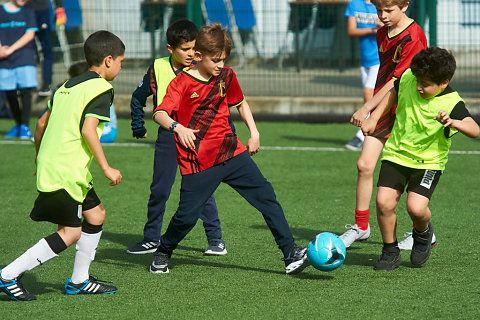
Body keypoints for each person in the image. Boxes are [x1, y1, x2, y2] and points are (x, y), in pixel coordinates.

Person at [149, 23, 309, 275]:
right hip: (199, 162)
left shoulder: (227, 75)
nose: (220, 65)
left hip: (233, 153)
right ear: (198, 56)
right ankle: (164, 250)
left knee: (266, 196)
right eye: (215, 60)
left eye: (223, 59)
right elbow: (159, 113)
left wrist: (254, 133)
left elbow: (241, 103)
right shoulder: (181, 83)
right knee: (186, 217)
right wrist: (178, 128)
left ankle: (290, 253)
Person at [0, 30, 125, 301]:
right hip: (66, 170)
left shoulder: (67, 85)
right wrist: (106, 168)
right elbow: (89, 129)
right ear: (108, 60)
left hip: (61, 166)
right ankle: (8, 275)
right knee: (70, 232)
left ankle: (79, 281)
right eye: (120, 62)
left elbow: (41, 123)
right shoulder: (102, 88)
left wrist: (38, 157)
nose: (120, 67)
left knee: (96, 215)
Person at [359, 47, 480, 270]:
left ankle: (423, 232)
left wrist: (455, 123)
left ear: (443, 83)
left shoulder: (452, 102)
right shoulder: (408, 77)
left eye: (425, 84)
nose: (418, 87)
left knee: (416, 209)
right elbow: (393, 92)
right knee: (383, 203)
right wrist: (374, 117)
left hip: (429, 163)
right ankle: (390, 251)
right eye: (417, 81)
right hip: (397, 154)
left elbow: (474, 129)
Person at [127, 19, 227, 256]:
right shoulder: (158, 68)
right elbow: (137, 97)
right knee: (160, 189)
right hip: (168, 135)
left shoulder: (202, 67)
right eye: (185, 49)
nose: (192, 54)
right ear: (170, 49)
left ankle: (216, 240)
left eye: (194, 48)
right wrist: (138, 125)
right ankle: (151, 239)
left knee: (202, 188)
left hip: (196, 137)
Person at [340, 0, 429, 249]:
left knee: (410, 172)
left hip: (408, 109)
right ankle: (361, 226)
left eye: (388, 10)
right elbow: (387, 79)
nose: (382, 15)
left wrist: (369, 109)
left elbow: (398, 82)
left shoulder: (414, 36)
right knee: (364, 164)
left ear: (405, 6)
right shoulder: (382, 32)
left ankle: (420, 233)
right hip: (386, 105)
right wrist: (375, 111)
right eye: (379, 10)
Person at [344, 0, 382, 151]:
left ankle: (361, 135)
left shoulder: (380, 4)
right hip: (365, 59)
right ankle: (375, 131)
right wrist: (373, 30)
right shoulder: (354, 4)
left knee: (368, 95)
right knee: (370, 97)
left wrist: (382, 27)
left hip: (379, 58)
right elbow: (351, 30)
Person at [0, 0, 38, 139]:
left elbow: (30, 34)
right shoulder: (1, 11)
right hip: (4, 60)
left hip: (24, 56)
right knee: (9, 92)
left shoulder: (28, 10)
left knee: (26, 91)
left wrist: (10, 49)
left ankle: (25, 126)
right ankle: (18, 124)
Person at [27, 0, 67, 96]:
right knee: (28, 49)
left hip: (42, 10)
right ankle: (28, 84)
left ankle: (46, 83)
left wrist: (59, 8)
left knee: (46, 49)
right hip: (26, 10)